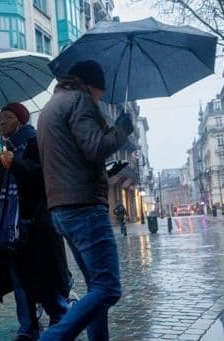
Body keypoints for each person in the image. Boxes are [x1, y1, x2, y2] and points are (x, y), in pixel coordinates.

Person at [37, 60, 134, 340]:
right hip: (84, 207)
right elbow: (95, 147)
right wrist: (120, 130)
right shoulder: (79, 101)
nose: (99, 100)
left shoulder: (52, 106)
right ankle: (52, 338)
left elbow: (71, 158)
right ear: (91, 86)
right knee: (108, 288)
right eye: (99, 95)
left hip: (62, 207)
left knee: (96, 286)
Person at [0, 102, 71, 341]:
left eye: (6, 118)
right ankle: (27, 327)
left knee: (44, 277)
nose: (1, 123)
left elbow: (43, 177)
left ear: (19, 120)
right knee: (19, 279)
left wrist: (15, 162)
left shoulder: (35, 142)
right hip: (12, 229)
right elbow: (0, 194)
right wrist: (5, 162)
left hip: (36, 224)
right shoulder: (4, 152)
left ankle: (60, 318)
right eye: (0, 119)